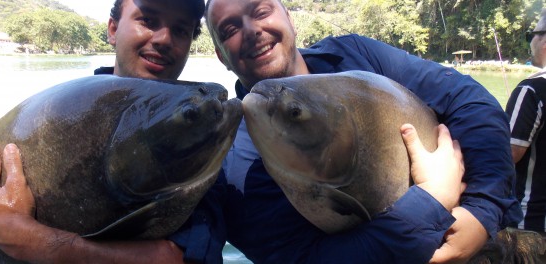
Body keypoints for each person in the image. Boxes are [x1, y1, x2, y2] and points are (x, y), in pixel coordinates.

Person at [0, 1, 469, 264]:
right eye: (148, 19)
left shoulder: (209, 149)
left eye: (180, 29)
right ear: (113, 28)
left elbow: (175, 261)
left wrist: (29, 240)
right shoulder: (65, 105)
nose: (163, 38)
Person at [202, 0, 522, 262]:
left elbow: (471, 101)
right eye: (229, 29)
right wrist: (431, 201)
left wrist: (481, 211)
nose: (252, 30)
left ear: (289, 19)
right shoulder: (231, 169)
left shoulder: (356, 53)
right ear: (220, 56)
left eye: (261, 11)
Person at [505, 8, 546, 244]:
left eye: (531, 34)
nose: (530, 41)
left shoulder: (531, 90)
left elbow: (507, 155)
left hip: (530, 224)